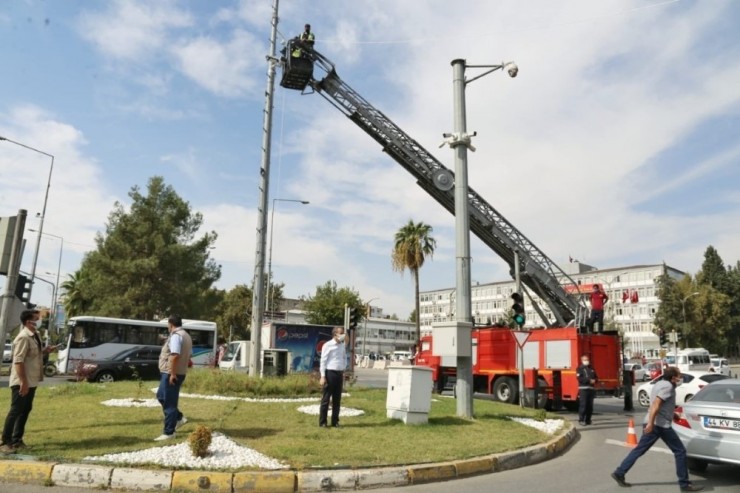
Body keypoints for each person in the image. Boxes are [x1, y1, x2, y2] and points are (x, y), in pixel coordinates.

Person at [611, 367, 704, 491]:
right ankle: (684, 484)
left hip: (656, 423)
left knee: (639, 450)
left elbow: (663, 405)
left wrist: (674, 415)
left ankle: (619, 472)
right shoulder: (668, 387)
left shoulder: (660, 383)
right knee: (680, 451)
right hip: (659, 425)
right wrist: (651, 424)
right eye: (679, 376)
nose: (680, 378)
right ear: (673, 377)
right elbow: (656, 404)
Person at [1, 309, 58, 454]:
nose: (39, 321)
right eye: (37, 319)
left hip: (31, 380)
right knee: (16, 410)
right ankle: (5, 442)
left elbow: (32, 354)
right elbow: (18, 362)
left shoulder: (35, 335)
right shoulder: (23, 337)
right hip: (22, 381)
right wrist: (23, 383)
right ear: (28, 322)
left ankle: (17, 440)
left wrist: (45, 351)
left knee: (25, 410)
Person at [154, 314, 192, 441]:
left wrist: (172, 373)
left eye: (168, 325)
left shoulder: (176, 336)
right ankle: (179, 417)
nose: (167, 327)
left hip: (171, 373)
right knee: (161, 396)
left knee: (169, 402)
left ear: (170, 324)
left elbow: (175, 355)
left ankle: (169, 432)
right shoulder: (186, 335)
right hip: (175, 372)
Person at [319, 326, 347, 428]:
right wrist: (323, 376)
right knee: (326, 399)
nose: (343, 335)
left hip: (339, 374)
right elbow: (323, 361)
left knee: (337, 399)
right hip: (330, 373)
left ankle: (335, 422)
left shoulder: (342, 345)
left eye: (343, 333)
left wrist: (344, 368)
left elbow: (344, 358)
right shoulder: (328, 345)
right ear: (335, 334)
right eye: (341, 333)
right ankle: (323, 422)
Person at [576, 354, 597, 425]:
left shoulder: (591, 368)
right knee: (583, 405)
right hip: (583, 389)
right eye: (585, 360)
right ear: (582, 361)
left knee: (590, 406)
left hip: (591, 389)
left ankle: (588, 420)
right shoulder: (579, 369)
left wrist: (595, 380)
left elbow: (596, 377)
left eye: (587, 360)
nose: (586, 361)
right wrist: (589, 381)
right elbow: (580, 379)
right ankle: (581, 420)